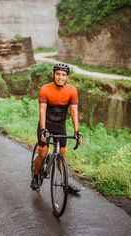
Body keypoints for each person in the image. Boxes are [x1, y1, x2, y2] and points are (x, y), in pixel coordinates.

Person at [31, 63, 83, 193]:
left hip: (60, 126)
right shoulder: (45, 89)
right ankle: (35, 176)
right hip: (46, 124)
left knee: (62, 156)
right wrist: (43, 129)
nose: (60, 77)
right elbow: (42, 110)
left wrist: (77, 131)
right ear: (53, 74)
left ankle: (66, 184)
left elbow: (74, 112)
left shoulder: (72, 91)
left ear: (67, 77)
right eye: (58, 74)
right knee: (42, 153)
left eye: (63, 75)